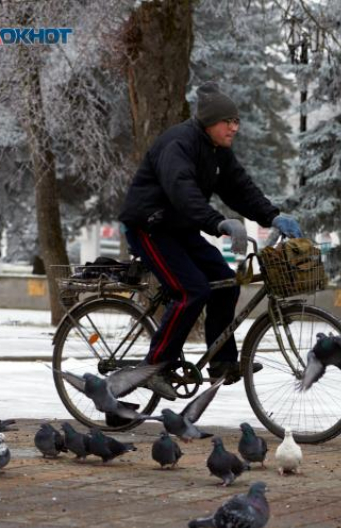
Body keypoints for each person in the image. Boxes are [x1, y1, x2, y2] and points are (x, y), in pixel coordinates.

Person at [118, 82, 302, 400]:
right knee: (192, 290)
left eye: (236, 121)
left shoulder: (218, 152)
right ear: (209, 122)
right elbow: (183, 192)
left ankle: (222, 363)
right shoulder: (179, 144)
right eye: (228, 121)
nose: (234, 127)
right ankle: (155, 366)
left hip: (179, 229)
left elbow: (241, 188)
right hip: (150, 228)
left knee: (226, 283)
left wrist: (272, 216)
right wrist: (219, 223)